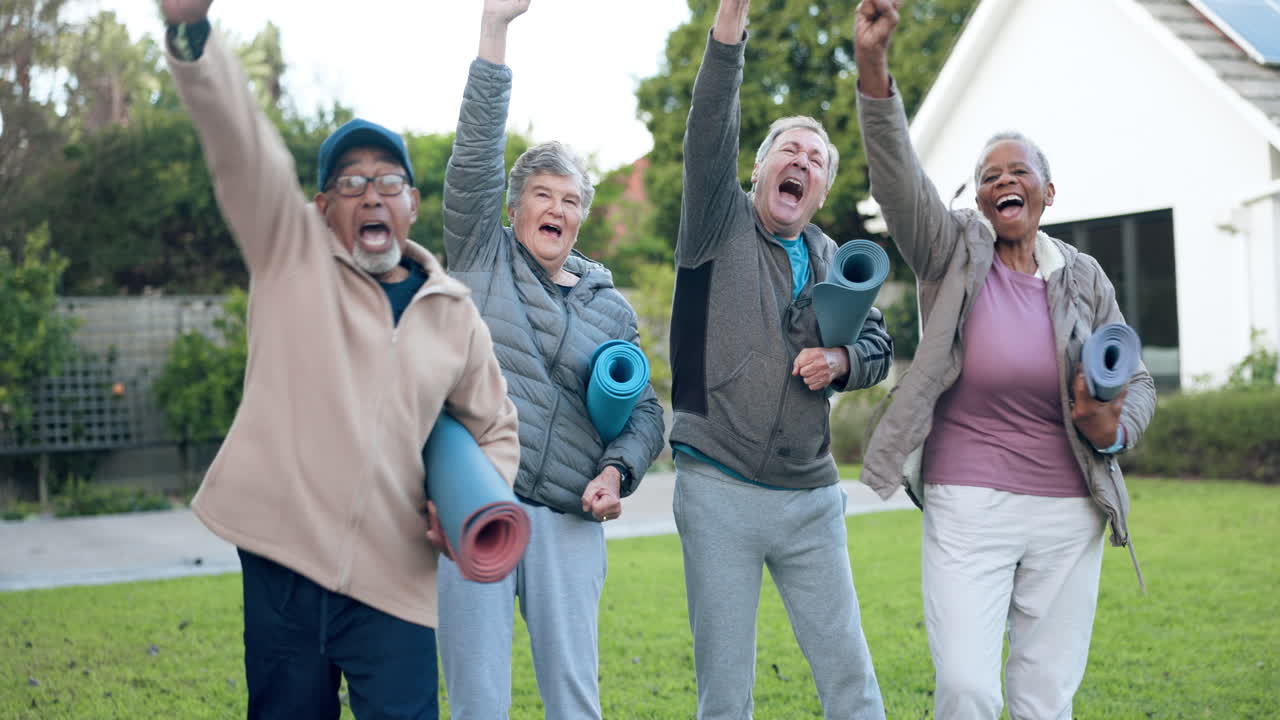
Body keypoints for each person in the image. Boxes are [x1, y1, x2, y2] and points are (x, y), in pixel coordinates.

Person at [159, 2, 520, 718]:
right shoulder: (288, 256)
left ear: (412, 204)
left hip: (395, 578)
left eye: (388, 182)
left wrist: (475, 500)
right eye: (351, 183)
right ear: (323, 207)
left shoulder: (453, 313)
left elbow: (496, 427)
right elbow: (243, 148)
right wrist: (194, 39)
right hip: (285, 565)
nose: (371, 194)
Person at [852, 2, 1158, 718]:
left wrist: (1114, 429)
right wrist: (873, 66)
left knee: (1044, 697)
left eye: (1018, 172)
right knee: (967, 686)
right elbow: (897, 182)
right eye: (988, 175)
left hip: (1069, 506)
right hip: (969, 502)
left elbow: (1136, 376)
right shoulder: (951, 251)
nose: (1001, 182)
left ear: (1048, 193)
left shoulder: (1082, 275)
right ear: (981, 198)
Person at [433, 1, 666, 717]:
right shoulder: (481, 255)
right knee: (478, 699)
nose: (556, 209)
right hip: (478, 503)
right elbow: (476, 151)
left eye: (570, 200)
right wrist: (494, 28)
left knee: (573, 699)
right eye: (542, 194)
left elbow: (646, 413)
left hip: (568, 517)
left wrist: (616, 471)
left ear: (582, 217)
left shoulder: (609, 307)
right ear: (514, 208)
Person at [667, 1, 894, 717]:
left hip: (810, 497)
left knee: (852, 682)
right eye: (789, 151)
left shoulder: (835, 259)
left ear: (821, 190)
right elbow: (711, 121)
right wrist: (732, 16)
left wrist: (842, 360)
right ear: (759, 167)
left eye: (816, 160)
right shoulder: (716, 220)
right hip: (718, 485)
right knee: (726, 693)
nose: (802, 162)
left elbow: (879, 346)